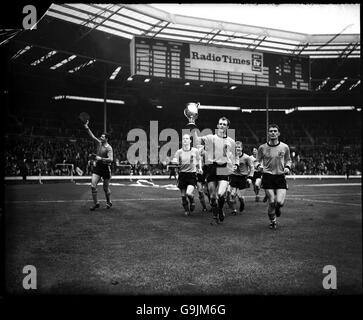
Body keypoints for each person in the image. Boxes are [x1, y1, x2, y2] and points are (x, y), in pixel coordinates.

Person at [194, 117, 236, 225]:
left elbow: (235, 156)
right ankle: (215, 214)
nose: (222, 126)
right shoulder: (210, 137)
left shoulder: (231, 141)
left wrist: (235, 164)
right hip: (212, 168)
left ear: (228, 127)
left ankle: (221, 210)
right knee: (212, 197)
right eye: (220, 124)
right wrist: (193, 127)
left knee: (220, 194)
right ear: (217, 126)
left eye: (224, 124)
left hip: (223, 168)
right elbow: (197, 139)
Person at [256, 124, 291, 229]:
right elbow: (256, 160)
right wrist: (258, 166)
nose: (273, 133)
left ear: (278, 133)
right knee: (272, 201)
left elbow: (288, 159)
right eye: (271, 131)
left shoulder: (284, 147)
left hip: (280, 176)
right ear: (268, 133)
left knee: (279, 202)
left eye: (275, 131)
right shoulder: (262, 147)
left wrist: (288, 167)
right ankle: (273, 221)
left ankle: (278, 208)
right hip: (267, 176)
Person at [84, 120, 114, 211]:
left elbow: (111, 159)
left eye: (102, 137)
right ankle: (96, 203)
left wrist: (101, 159)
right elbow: (92, 136)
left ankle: (109, 202)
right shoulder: (99, 143)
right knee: (93, 186)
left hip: (105, 169)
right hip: (97, 168)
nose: (100, 137)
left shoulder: (109, 148)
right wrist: (87, 127)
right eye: (101, 136)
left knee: (105, 188)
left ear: (106, 139)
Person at [171, 134, 201, 216]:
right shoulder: (179, 152)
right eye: (183, 138)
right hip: (182, 175)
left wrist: (200, 168)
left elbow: (199, 160)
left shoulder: (195, 150)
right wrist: (174, 162)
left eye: (187, 138)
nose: (185, 140)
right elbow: (175, 161)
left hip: (191, 175)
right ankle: (187, 210)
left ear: (190, 141)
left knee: (188, 193)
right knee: (183, 196)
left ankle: (192, 201)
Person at [229, 141, 254, 215]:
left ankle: (242, 202)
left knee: (240, 196)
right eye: (236, 147)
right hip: (234, 177)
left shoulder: (246, 157)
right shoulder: (232, 156)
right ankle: (234, 210)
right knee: (232, 195)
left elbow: (252, 167)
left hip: (242, 178)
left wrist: (250, 177)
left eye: (239, 147)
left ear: (242, 148)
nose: (237, 149)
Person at [196, 145, 208, 212]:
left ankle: (213, 205)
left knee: (207, 191)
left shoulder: (206, 155)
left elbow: (209, 166)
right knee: (200, 192)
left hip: (206, 174)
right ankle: (204, 207)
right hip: (198, 175)